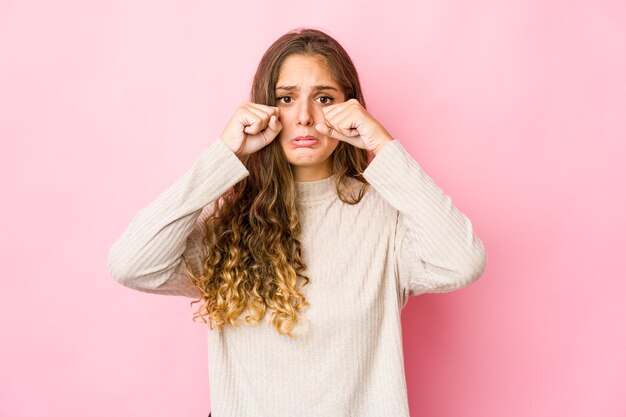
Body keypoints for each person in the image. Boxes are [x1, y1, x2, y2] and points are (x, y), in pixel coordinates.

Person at [107, 27, 487, 417]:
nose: (304, 117)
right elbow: (131, 265)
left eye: (324, 98)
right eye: (286, 99)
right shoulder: (227, 222)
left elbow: (462, 262)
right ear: (264, 111)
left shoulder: (387, 217)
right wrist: (224, 157)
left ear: (351, 108)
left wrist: (383, 147)